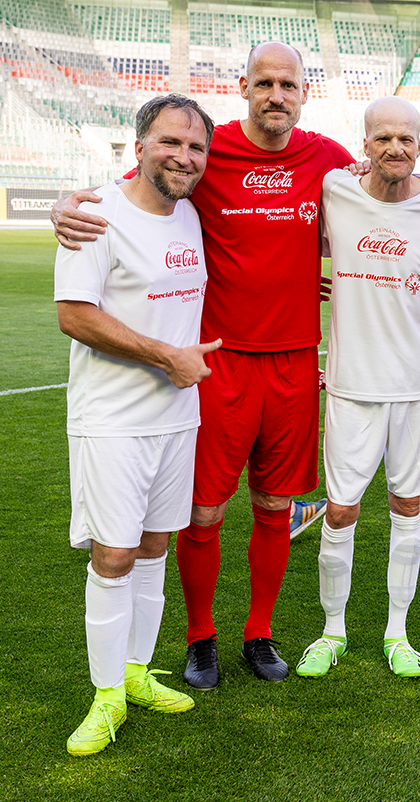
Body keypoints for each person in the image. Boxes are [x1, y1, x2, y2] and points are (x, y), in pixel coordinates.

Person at [52, 42, 356, 688]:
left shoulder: (326, 158)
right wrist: (63, 207)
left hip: (297, 362)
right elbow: (142, 185)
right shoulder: (209, 158)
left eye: (289, 85)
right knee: (202, 513)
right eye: (265, 83)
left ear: (305, 93)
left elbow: (384, 197)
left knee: (275, 505)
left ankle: (258, 632)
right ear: (244, 86)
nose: (277, 95)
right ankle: (200, 639)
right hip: (218, 365)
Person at [55, 95, 217, 755]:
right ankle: (104, 697)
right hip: (112, 420)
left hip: (177, 419)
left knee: (153, 549)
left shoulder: (192, 216)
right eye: (170, 142)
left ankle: (134, 673)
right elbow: (75, 314)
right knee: (114, 555)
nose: (183, 157)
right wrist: (165, 357)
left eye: (196, 148)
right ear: (140, 145)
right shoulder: (95, 213)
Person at [295, 96, 420, 680]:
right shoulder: (335, 190)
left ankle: (397, 632)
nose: (396, 148)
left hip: (418, 387)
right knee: (340, 510)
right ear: (364, 144)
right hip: (350, 385)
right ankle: (332, 630)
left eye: (407, 139)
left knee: (407, 505)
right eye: (383, 138)